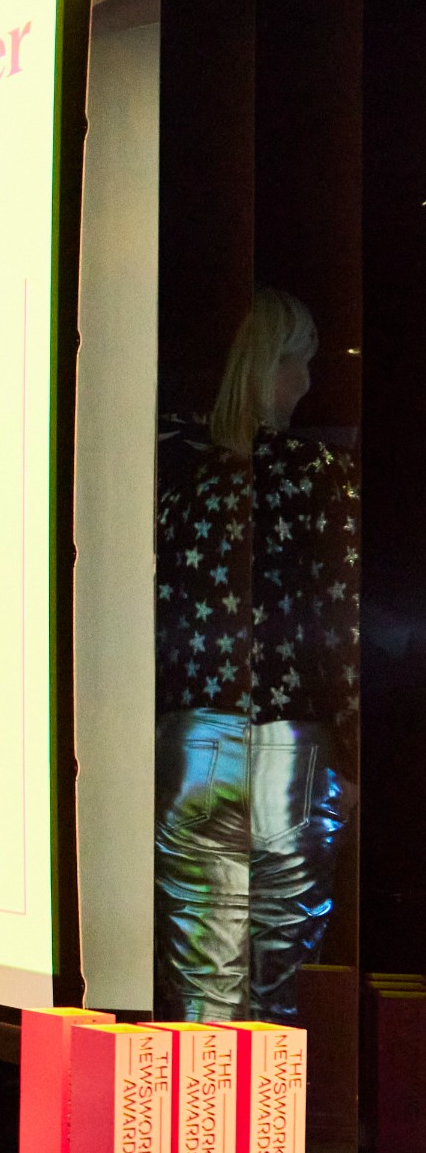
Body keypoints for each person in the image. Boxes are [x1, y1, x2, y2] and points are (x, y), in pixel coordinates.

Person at [153, 287, 357, 1025]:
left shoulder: (185, 486)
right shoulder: (318, 473)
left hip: (189, 744)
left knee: (203, 993)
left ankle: (199, 1104)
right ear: (273, 368)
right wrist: (356, 747)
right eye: (300, 362)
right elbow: (339, 620)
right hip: (288, 748)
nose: (307, 381)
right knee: (275, 997)